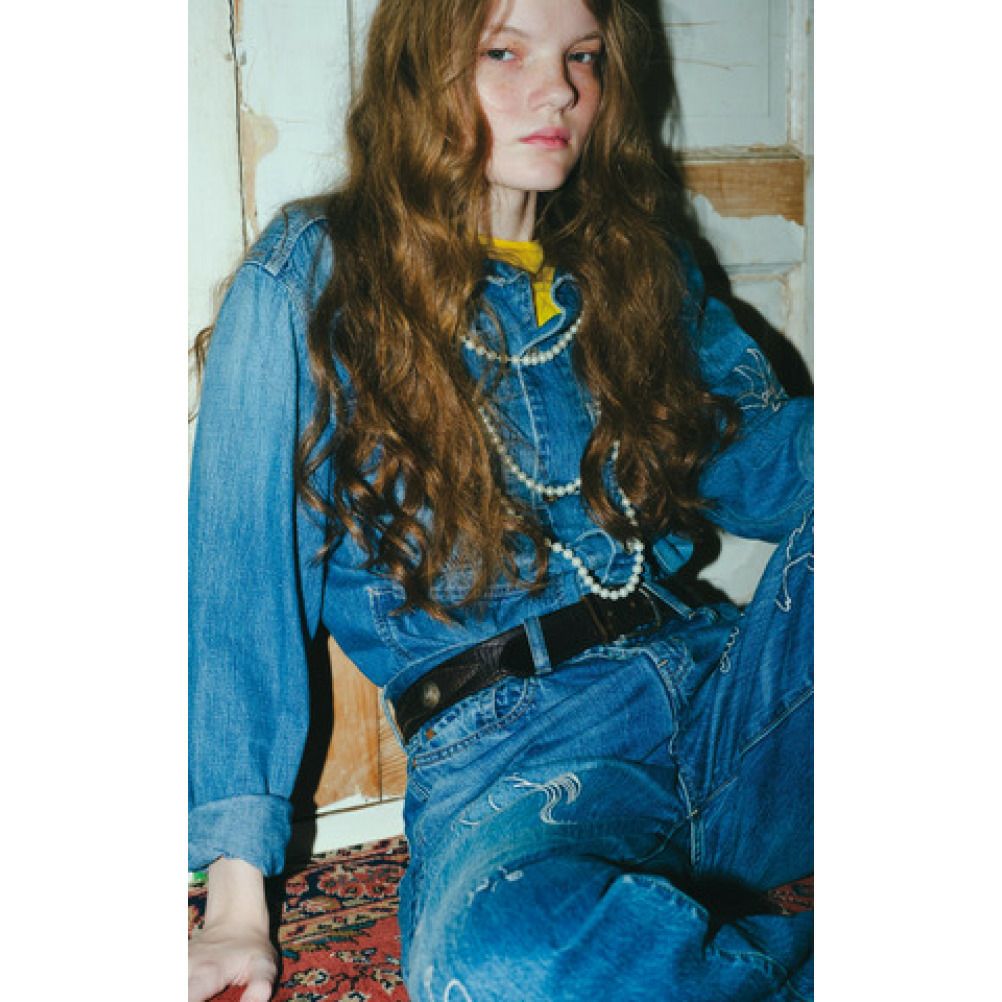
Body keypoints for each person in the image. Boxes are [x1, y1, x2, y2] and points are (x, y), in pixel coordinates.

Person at [187, 0, 814, 999]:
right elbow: (239, 595)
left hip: (736, 706)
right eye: (505, 52)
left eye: (584, 57)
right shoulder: (310, 276)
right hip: (513, 759)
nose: (558, 90)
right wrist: (234, 908)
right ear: (422, 71)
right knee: (501, 963)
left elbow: (768, 467)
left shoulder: (638, 264)